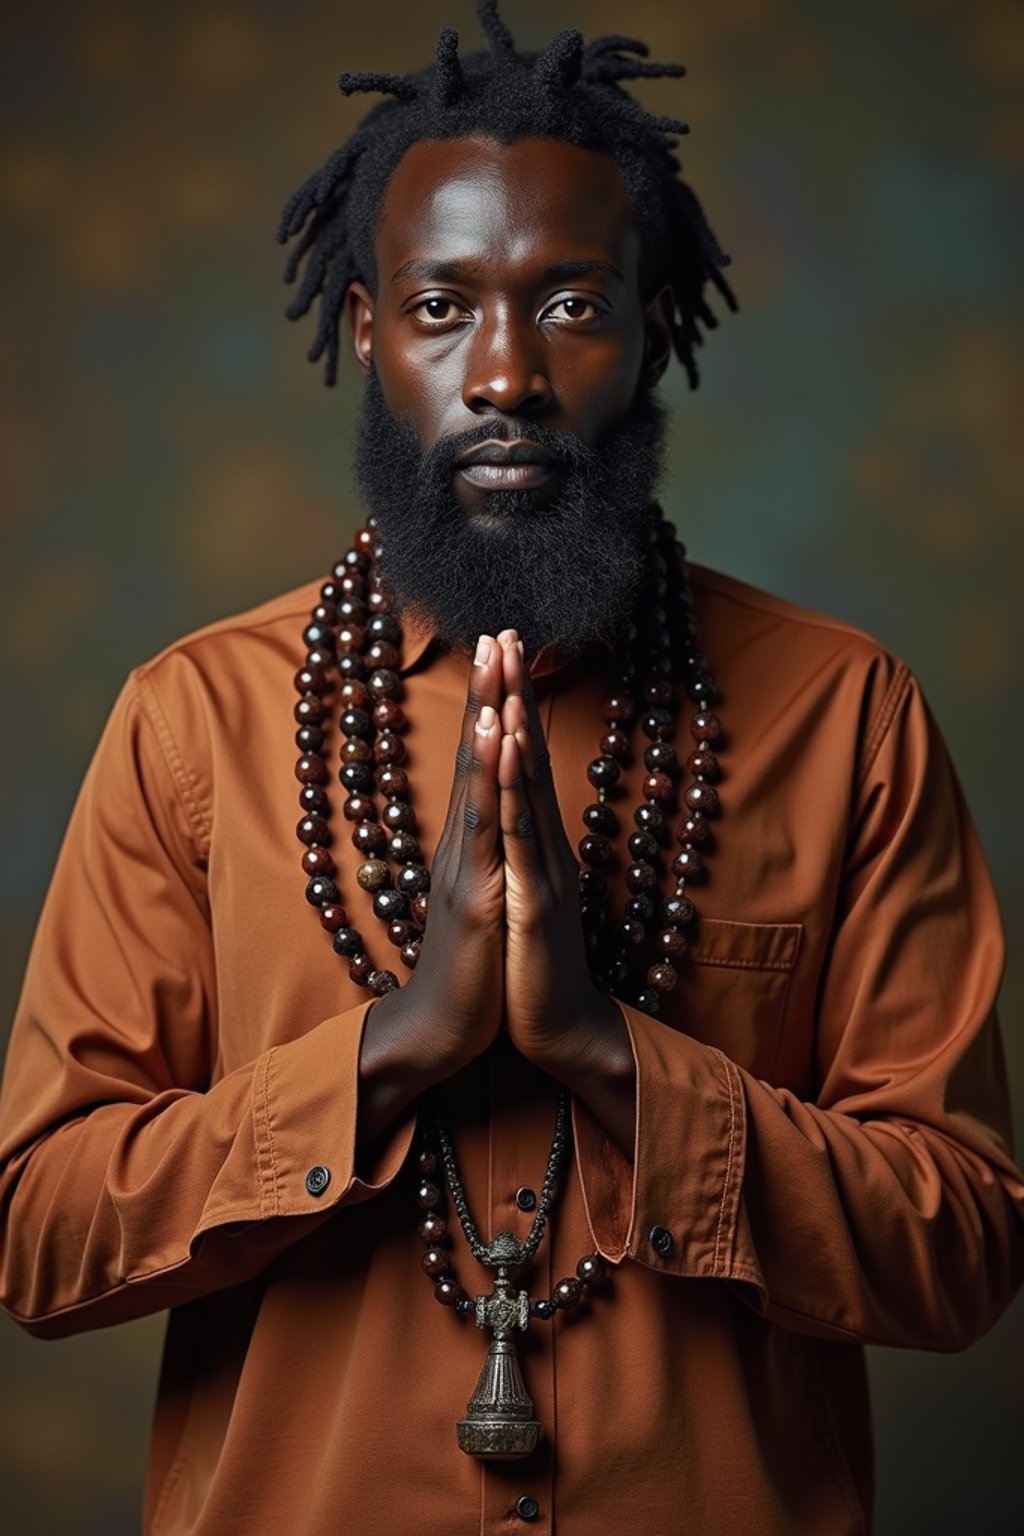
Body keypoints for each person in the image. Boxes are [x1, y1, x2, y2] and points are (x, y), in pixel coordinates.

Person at [1, 3, 1021, 1532]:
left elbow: (961, 1253)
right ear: (364, 332)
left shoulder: (847, 714)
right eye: (438, 307)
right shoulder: (189, 723)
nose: (503, 377)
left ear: (655, 325)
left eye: (568, 306)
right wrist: (396, 1046)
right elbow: (39, 1240)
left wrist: (612, 1055)